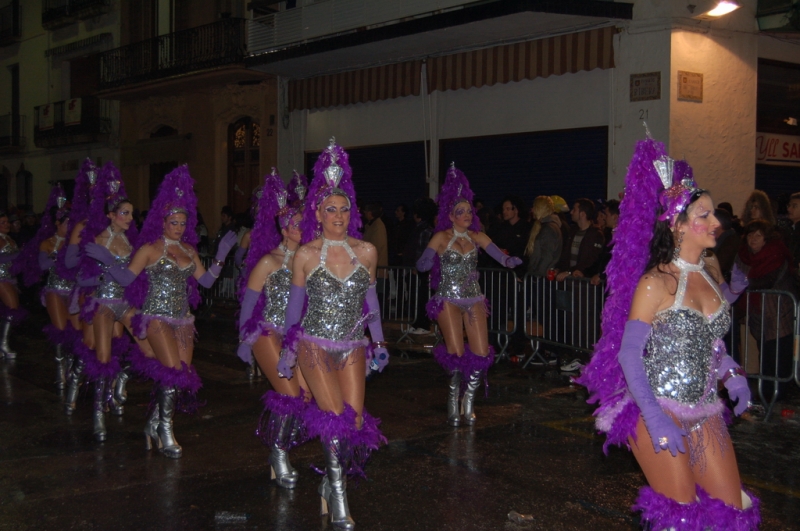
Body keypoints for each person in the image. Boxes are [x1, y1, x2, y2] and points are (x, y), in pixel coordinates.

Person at [576, 133, 760, 529]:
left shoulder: (711, 275)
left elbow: (709, 342)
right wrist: (655, 417)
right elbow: (629, 355)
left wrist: (731, 373)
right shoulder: (654, 282)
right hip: (655, 407)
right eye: (704, 216)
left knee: (732, 512)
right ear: (678, 225)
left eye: (714, 215)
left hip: (706, 408)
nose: (716, 223)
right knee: (679, 515)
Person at [277, 139, 389, 529]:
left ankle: (328, 486)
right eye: (331, 209)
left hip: (353, 344)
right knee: (333, 419)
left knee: (354, 422)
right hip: (313, 344)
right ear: (318, 213)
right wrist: (288, 351)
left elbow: (370, 303)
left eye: (344, 209)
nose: (339, 215)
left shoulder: (368, 251)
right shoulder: (305, 254)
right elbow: (294, 310)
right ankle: (338, 494)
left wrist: (379, 342)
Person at [95, 165, 237, 458]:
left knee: (180, 376)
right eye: (174, 222)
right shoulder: (149, 248)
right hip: (156, 317)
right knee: (171, 372)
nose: (179, 227)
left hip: (184, 319)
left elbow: (206, 281)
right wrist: (107, 262)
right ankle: (166, 429)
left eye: (183, 222)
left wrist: (222, 257)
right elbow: (126, 279)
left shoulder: (189, 250)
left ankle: (152, 423)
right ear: (163, 222)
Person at [416, 164, 522, 427]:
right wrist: (425, 262)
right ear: (451, 216)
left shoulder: (477, 236)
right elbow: (423, 262)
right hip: (447, 299)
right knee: (455, 353)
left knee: (480, 353)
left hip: (473, 297)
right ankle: (453, 397)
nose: (466, 215)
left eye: (468, 211)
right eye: (459, 212)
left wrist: (509, 262)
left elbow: (498, 254)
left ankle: (469, 401)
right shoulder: (441, 237)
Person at [237, 171, 311, 489]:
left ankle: (280, 445)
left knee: (307, 397)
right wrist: (244, 340)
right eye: (295, 224)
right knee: (290, 394)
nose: (300, 228)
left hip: (297, 335)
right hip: (268, 332)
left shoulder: (309, 260)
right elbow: (248, 303)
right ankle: (278, 455)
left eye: (303, 223)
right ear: (283, 228)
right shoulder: (269, 261)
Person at [81, 163, 157, 441]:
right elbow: (84, 275)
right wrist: (97, 278)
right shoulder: (99, 240)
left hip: (125, 303)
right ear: (111, 216)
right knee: (102, 359)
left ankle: (123, 381)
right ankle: (98, 415)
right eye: (124, 213)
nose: (129, 217)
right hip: (103, 303)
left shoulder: (130, 241)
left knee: (149, 350)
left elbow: (135, 275)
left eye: (131, 213)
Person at [12, 185, 79, 386]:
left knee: (75, 331)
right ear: (58, 223)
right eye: (67, 222)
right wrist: (62, 257)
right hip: (55, 290)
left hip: (74, 291)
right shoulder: (47, 243)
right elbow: (43, 264)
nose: (70, 225)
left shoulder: (76, 243)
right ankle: (60, 370)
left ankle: (71, 367)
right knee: (60, 330)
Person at [735, 219, 797, 402]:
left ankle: (779, 393)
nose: (753, 239)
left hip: (779, 312)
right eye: (750, 235)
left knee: (778, 354)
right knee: (765, 352)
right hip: (759, 312)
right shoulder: (744, 256)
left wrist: (742, 284)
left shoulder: (775, 255)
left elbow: (768, 280)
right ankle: (767, 391)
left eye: (759, 235)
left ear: (766, 239)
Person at [555, 198, 604, 281]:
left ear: (582, 214)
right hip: (567, 279)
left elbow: (592, 259)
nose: (571, 212)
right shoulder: (572, 231)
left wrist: (572, 271)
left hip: (583, 282)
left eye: (574, 210)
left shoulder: (596, 235)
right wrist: (558, 269)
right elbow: (565, 254)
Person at [0, 210, 23, 359]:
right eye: (3, 222)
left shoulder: (10, 239)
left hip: (9, 277)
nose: (7, 225)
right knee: (12, 307)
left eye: (7, 222)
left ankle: (3, 343)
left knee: (12, 309)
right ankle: (3, 344)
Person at [524, 196, 562, 278]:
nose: (532, 210)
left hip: (542, 278)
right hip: (542, 276)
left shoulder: (548, 229)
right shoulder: (548, 226)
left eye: (534, 207)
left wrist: (537, 275)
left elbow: (547, 256)